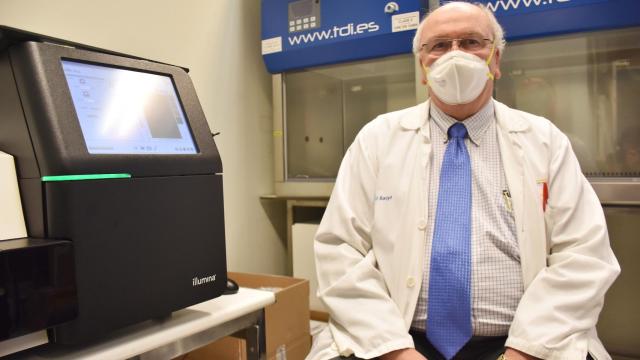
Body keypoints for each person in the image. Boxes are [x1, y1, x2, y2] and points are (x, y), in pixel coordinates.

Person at [305, 2, 620, 360]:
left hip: (528, 341)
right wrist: (395, 351)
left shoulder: (543, 139)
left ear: (496, 61)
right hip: (397, 337)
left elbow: (584, 254)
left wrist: (525, 351)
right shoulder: (378, 138)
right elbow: (340, 249)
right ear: (423, 68)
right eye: (438, 45)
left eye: (471, 42)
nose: (455, 55)